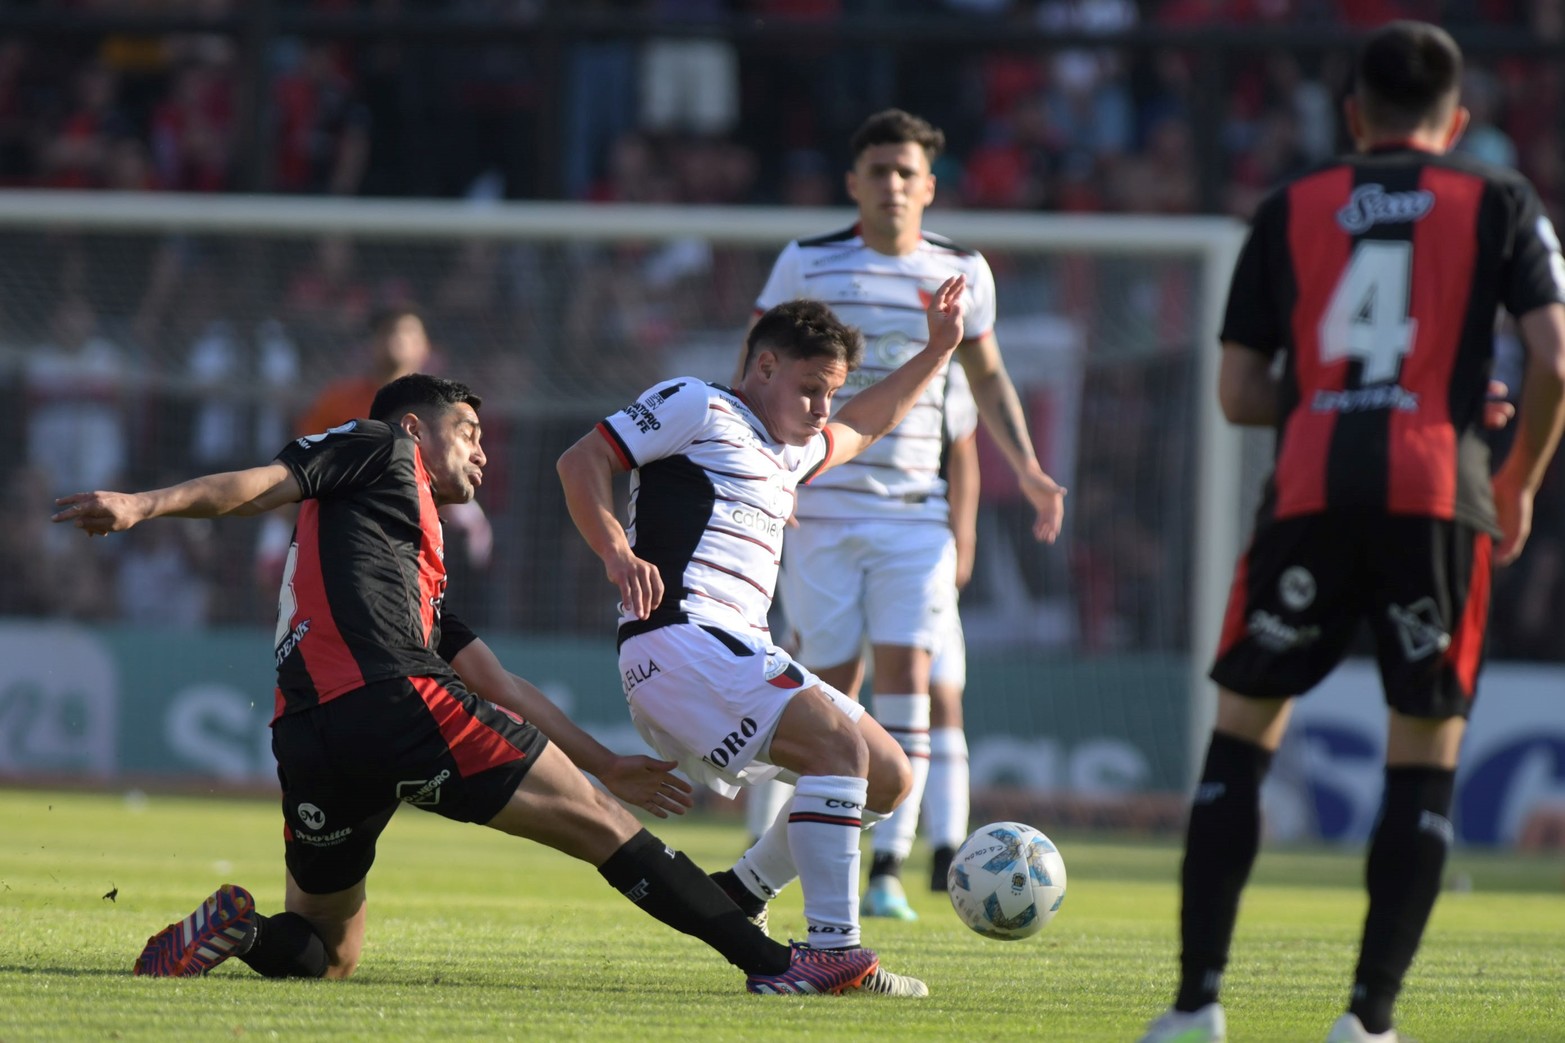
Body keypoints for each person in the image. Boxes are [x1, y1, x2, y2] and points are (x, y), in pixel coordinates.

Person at [53, 374, 878, 997]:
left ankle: (237, 931)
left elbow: (495, 678)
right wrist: (142, 503)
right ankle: (774, 964)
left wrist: (603, 758)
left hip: (308, 736)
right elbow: (262, 484)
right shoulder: (381, 446)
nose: (482, 450)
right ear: (415, 426)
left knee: (325, 952)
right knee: (599, 826)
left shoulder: (394, 549)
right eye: (469, 430)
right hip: (392, 700)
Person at [1138, 22, 1565, 1043]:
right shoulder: (1498, 198)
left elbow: (1239, 392)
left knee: (1240, 735)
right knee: (1420, 746)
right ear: (1456, 119)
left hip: (1304, 494)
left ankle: (1195, 1004)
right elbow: (1553, 358)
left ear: (1350, 115)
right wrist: (1512, 479)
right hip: (1434, 494)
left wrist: (1330, 398)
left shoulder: (1288, 206)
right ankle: (1366, 1019)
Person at [557, 276, 976, 998]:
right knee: (838, 749)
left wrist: (938, 349)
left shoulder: (786, 453)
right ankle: (831, 951)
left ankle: (744, 886)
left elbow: (869, 423)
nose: (822, 410)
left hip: (736, 649)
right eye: (811, 388)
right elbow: (581, 460)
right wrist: (616, 552)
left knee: (887, 775)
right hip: (681, 640)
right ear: (764, 367)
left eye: (830, 393)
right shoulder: (698, 402)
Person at [729, 108, 1066, 920]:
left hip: (914, 512)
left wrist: (1025, 467)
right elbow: (754, 369)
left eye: (904, 172)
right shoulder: (807, 261)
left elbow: (986, 380)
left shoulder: (961, 270)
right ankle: (777, 862)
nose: (890, 185)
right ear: (853, 182)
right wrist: (764, 476)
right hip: (821, 505)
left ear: (928, 185)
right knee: (825, 693)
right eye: (876, 170)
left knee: (909, 673)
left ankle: (888, 861)